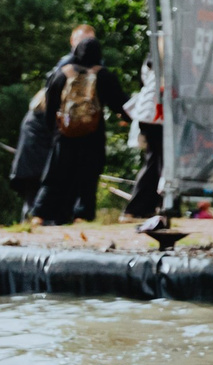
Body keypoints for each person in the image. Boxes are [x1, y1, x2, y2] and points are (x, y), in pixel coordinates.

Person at [28, 35, 130, 225]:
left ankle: (41, 214)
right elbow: (120, 104)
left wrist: (54, 131)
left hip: (64, 134)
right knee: (88, 177)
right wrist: (128, 119)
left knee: (55, 175)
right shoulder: (103, 75)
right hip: (93, 136)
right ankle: (81, 215)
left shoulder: (62, 73)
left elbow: (50, 107)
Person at [122, 48, 164, 220]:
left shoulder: (152, 57)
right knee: (156, 159)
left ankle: (147, 206)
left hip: (149, 112)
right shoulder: (165, 57)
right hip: (154, 113)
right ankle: (136, 208)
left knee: (157, 159)